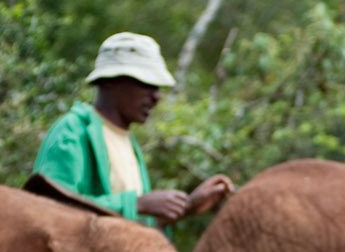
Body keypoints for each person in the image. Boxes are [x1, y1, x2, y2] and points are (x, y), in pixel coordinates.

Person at [30, 32, 234, 228]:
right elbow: (49, 210)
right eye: (146, 84)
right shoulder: (73, 131)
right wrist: (137, 204)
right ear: (110, 81)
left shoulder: (127, 142)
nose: (156, 97)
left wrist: (186, 207)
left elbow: (130, 229)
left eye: (157, 87)